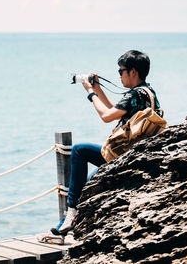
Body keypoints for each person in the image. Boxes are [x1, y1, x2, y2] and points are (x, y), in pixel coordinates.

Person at [37, 50, 162, 245]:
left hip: (123, 155)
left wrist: (90, 92)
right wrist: (99, 90)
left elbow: (106, 117)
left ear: (133, 71)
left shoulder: (134, 94)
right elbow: (116, 111)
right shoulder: (147, 92)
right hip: (137, 155)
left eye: (121, 71)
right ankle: (60, 231)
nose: (119, 75)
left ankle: (68, 216)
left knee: (79, 149)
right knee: (85, 185)